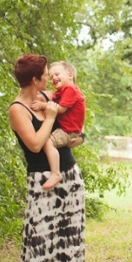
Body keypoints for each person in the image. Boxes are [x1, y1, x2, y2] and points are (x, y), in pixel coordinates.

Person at [8, 54, 101, 262]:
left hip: (69, 173)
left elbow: (74, 118)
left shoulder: (47, 96)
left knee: (71, 230)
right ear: (34, 79)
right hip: (42, 178)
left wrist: (79, 138)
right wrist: (50, 117)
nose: (49, 79)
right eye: (45, 75)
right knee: (42, 233)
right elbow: (37, 145)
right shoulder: (17, 110)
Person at [39, 61, 86, 190]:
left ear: (70, 75)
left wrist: (42, 105)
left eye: (57, 74)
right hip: (68, 130)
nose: (53, 78)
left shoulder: (70, 89)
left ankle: (55, 173)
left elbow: (61, 109)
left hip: (67, 131)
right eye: (51, 77)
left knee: (47, 142)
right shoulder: (62, 92)